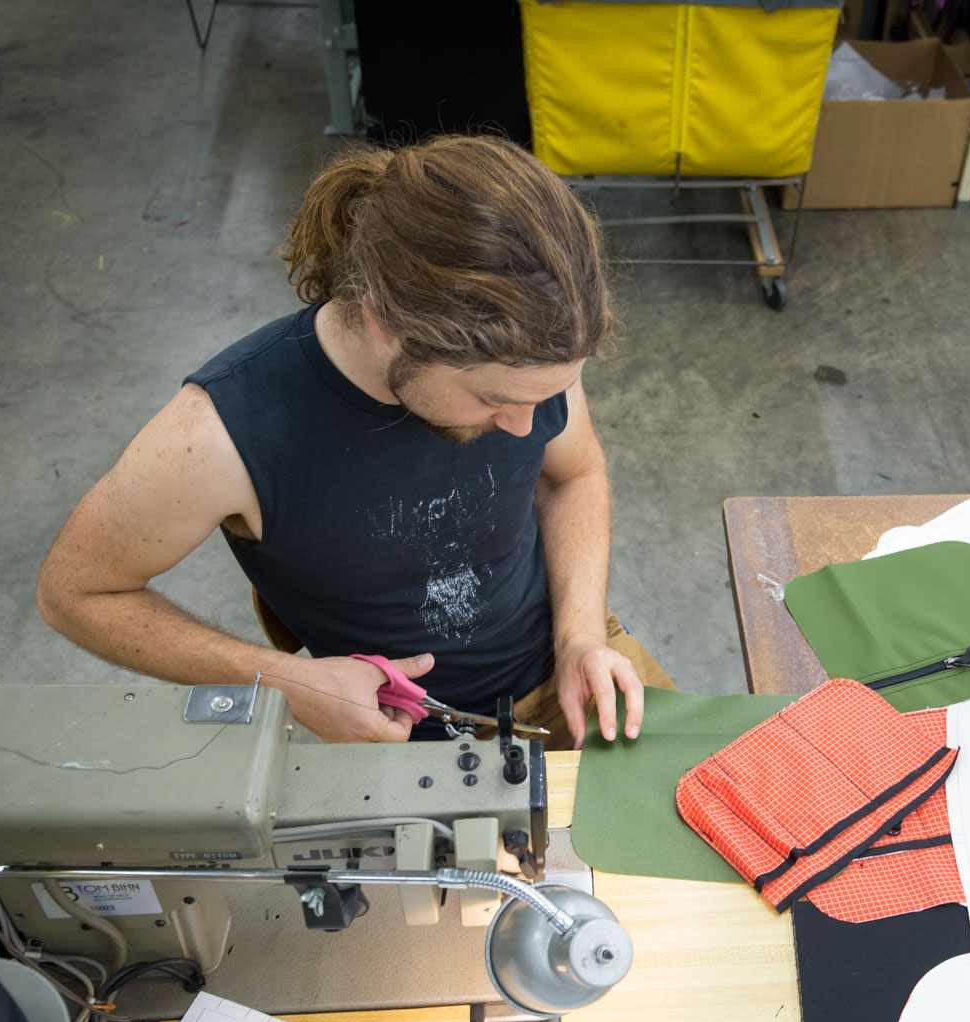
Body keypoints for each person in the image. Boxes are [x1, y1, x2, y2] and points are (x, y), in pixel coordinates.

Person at [36, 136, 668, 749]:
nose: (527, 427)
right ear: (384, 326)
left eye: (549, 395)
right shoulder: (221, 434)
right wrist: (285, 682)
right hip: (382, 728)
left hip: (566, 658)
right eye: (493, 401)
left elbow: (572, 475)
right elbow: (76, 591)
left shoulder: (531, 358)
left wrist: (581, 637)